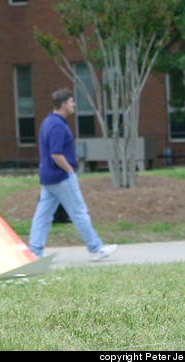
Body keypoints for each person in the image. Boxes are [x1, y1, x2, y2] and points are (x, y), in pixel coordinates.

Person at [28, 88, 118, 262]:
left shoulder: (47, 122)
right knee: (79, 213)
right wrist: (70, 171)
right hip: (61, 177)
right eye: (71, 102)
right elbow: (56, 154)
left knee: (43, 215)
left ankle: (34, 251)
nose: (74, 105)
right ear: (63, 104)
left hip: (48, 178)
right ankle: (96, 248)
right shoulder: (57, 125)